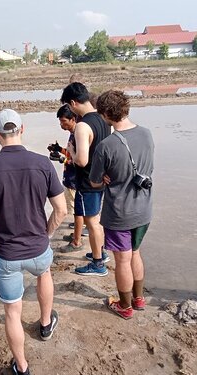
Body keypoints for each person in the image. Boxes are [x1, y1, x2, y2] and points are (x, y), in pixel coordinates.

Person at [0, 109, 66, 375]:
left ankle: (22, 369)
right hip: (37, 248)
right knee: (44, 274)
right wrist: (45, 234)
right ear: (22, 130)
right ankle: (46, 324)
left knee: (12, 312)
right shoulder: (42, 164)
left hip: (6, 254)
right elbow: (61, 210)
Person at [90, 90, 155, 320]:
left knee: (122, 260)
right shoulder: (147, 134)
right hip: (144, 209)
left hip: (120, 212)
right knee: (135, 253)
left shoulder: (106, 146)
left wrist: (106, 176)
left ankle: (124, 305)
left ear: (106, 114)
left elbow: (94, 180)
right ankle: (138, 298)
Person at [60, 82, 111, 276]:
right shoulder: (103, 118)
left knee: (91, 222)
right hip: (100, 179)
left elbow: (81, 160)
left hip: (87, 181)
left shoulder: (82, 125)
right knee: (95, 219)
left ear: (73, 103)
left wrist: (71, 152)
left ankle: (98, 263)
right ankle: (100, 253)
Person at [47, 105, 86, 248]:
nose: (62, 125)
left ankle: (77, 240)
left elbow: (80, 160)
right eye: (60, 122)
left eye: (64, 121)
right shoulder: (73, 133)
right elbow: (71, 153)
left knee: (76, 211)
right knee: (77, 210)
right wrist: (59, 150)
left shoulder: (79, 135)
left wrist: (63, 160)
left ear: (73, 119)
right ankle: (78, 233)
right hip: (70, 179)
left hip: (74, 181)